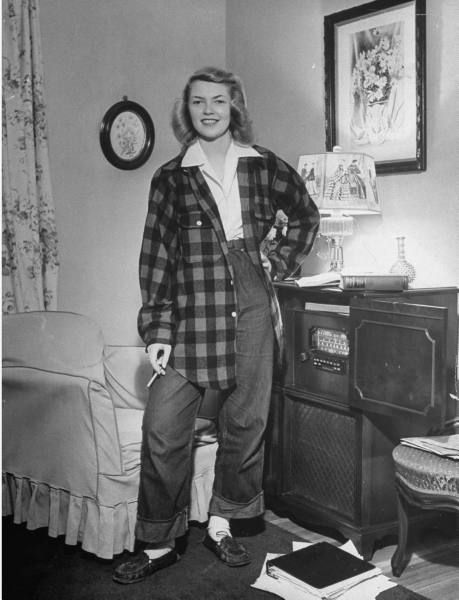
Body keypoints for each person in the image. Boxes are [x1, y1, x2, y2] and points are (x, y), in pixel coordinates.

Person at [113, 66, 320, 585]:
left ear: (234, 108)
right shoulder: (171, 176)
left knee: (246, 422)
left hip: (251, 297)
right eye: (200, 102)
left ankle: (222, 523)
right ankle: (159, 543)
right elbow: (157, 256)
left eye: (219, 102)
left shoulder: (263, 165)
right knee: (162, 423)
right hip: (194, 304)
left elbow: (304, 214)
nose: (209, 110)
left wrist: (281, 260)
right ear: (189, 111)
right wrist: (159, 330)